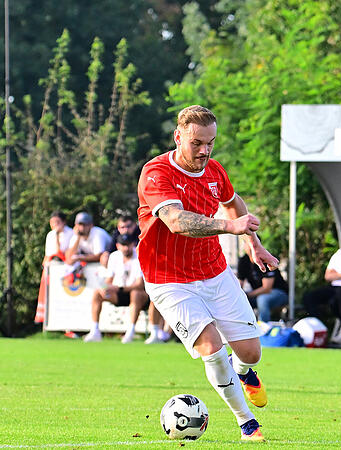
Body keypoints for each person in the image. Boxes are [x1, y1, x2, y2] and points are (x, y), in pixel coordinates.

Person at [137, 105, 279, 441]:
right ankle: (247, 422)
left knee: (250, 353)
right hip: (168, 278)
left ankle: (243, 372)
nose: (204, 151)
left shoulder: (215, 171)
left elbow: (234, 202)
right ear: (178, 136)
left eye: (210, 143)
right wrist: (231, 226)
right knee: (212, 347)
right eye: (196, 143)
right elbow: (176, 221)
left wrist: (253, 244)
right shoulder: (157, 173)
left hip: (213, 271)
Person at [83, 233, 150, 343]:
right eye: (123, 245)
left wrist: (119, 288)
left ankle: (130, 332)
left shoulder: (139, 255)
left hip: (137, 293)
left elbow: (140, 284)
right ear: (118, 245)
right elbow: (109, 279)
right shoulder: (114, 256)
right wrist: (104, 288)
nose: (126, 248)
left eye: (128, 245)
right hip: (119, 292)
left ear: (133, 244)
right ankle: (94, 331)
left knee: (135, 294)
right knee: (97, 293)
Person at [237, 252, 289, 323]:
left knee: (262, 299)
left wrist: (248, 295)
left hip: (279, 293)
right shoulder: (244, 260)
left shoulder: (265, 258)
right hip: (256, 295)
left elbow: (266, 288)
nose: (249, 246)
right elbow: (239, 286)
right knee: (239, 299)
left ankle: (264, 328)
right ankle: (242, 327)